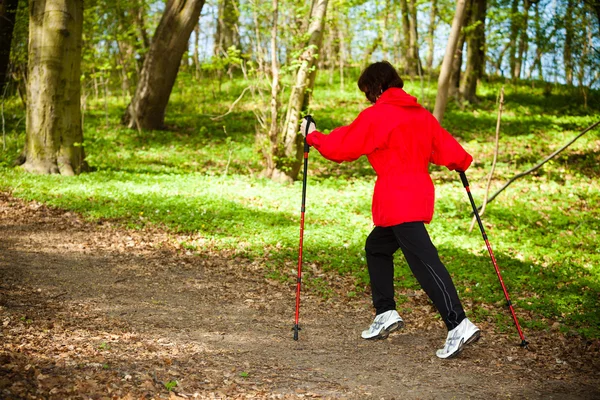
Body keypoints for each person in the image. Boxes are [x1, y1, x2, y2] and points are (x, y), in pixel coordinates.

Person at [299, 61, 480, 359]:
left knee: (424, 261)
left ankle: (458, 323)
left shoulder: (379, 116)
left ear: (377, 87)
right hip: (417, 192)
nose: (368, 98)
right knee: (377, 247)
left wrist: (313, 135)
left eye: (368, 91)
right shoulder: (421, 115)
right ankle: (385, 313)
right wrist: (460, 162)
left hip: (398, 197)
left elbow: (343, 146)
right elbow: (448, 148)